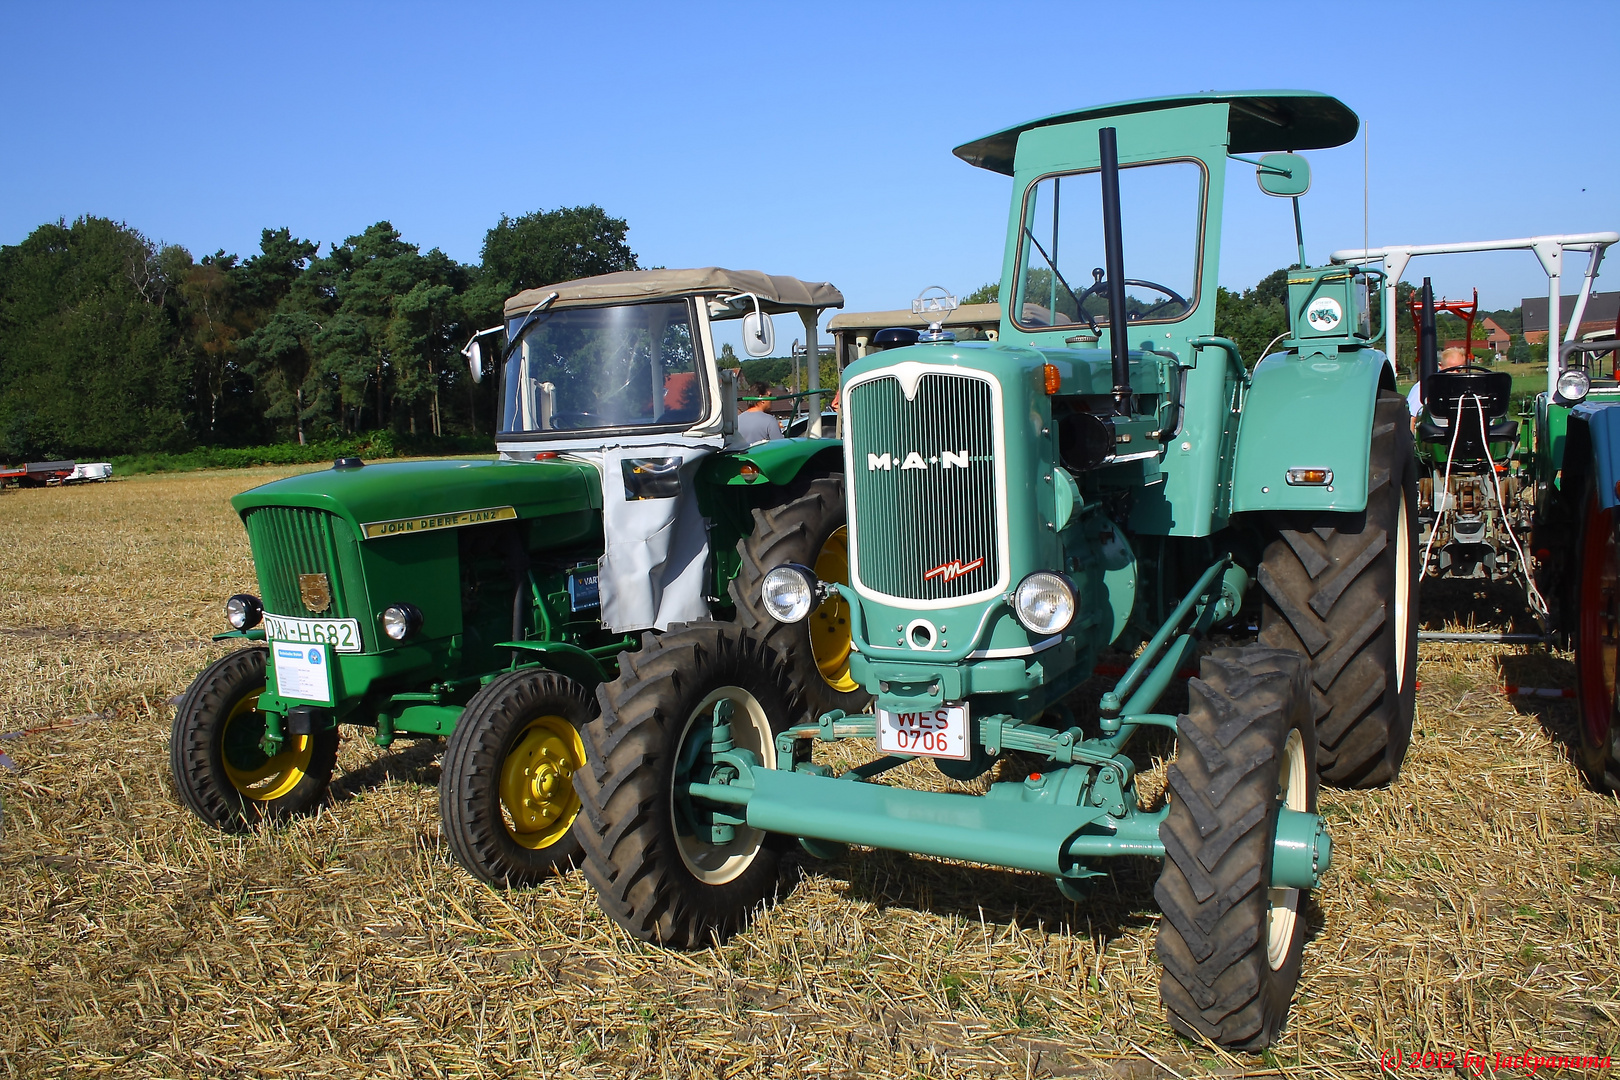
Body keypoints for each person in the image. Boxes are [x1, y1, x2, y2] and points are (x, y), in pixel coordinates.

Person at [1407, 346, 1468, 418]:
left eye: (1459, 370)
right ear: (1440, 366)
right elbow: (1411, 417)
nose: (1455, 373)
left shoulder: (1465, 389)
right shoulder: (1422, 388)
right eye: (1451, 369)